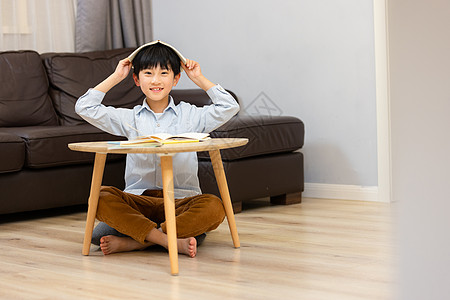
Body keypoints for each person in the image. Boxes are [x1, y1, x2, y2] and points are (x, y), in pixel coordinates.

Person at [75, 41, 240, 257]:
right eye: (148, 73)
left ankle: (139, 241)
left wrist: (198, 78)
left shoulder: (191, 115)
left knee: (215, 207)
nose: (156, 80)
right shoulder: (129, 117)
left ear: (176, 78)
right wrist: (116, 76)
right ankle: (167, 239)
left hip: (182, 200)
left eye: (164, 73)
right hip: (138, 202)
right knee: (100, 197)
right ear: (136, 79)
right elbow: (84, 107)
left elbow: (230, 106)